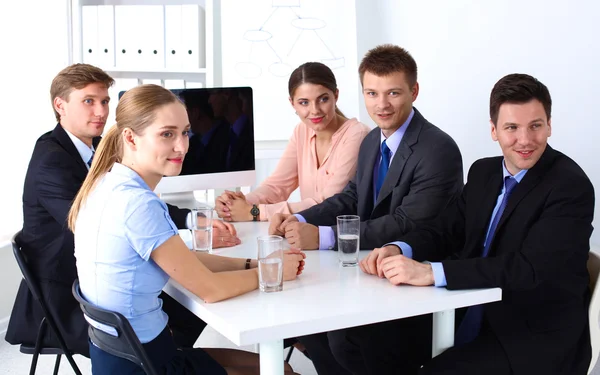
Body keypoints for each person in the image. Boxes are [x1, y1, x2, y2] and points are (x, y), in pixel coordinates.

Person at [360, 73, 594, 375]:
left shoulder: (569, 186)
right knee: (367, 339)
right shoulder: (485, 172)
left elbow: (528, 269)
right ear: (494, 130)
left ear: (549, 125)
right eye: (512, 127)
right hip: (466, 308)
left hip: (531, 331)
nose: (525, 140)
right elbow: (446, 229)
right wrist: (398, 247)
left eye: (535, 126)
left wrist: (431, 272)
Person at [67, 84, 305, 374]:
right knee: (283, 371)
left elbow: (181, 258)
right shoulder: (137, 204)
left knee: (277, 366)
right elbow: (211, 290)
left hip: (123, 356)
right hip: (149, 365)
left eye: (185, 132)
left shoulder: (106, 185)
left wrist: (256, 263)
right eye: (167, 134)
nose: (182, 146)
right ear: (130, 137)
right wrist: (273, 272)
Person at [5, 64, 239, 357]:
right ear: (60, 106)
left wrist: (194, 219)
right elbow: (96, 219)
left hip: (101, 282)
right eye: (88, 101)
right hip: (69, 296)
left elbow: (133, 202)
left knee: (188, 301)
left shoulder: (100, 147)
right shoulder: (51, 159)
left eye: (104, 101)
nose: (101, 112)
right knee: (187, 306)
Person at [270, 45, 465, 374]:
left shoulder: (437, 149)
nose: (382, 104)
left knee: (339, 335)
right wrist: (299, 219)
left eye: (393, 93)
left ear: (414, 91)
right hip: (371, 274)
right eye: (372, 93)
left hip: (419, 288)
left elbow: (407, 223)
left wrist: (325, 237)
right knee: (307, 323)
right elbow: (350, 197)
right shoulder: (373, 140)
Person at [215, 62, 370, 222]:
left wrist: (254, 212)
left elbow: (328, 203)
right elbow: (277, 186)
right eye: (304, 102)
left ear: (335, 96)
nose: (315, 110)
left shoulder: (357, 134)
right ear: (292, 103)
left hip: (342, 237)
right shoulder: (302, 131)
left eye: (323, 99)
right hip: (305, 232)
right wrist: (237, 203)